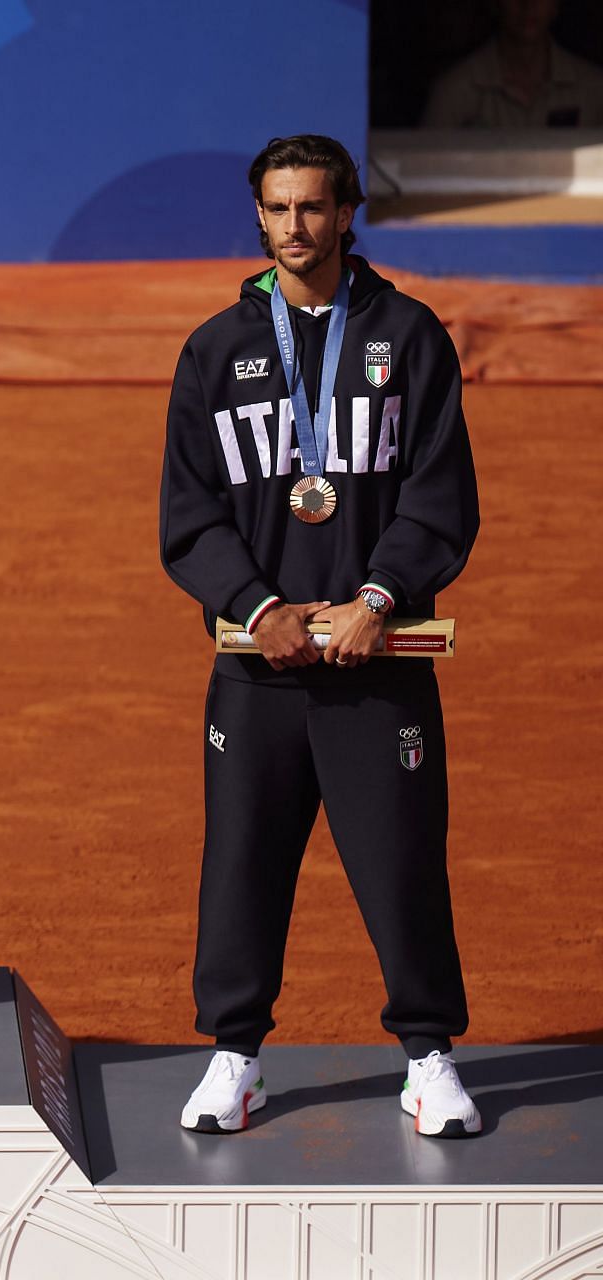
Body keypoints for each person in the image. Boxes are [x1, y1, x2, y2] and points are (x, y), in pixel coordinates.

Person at [159, 135, 482, 1137]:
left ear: (348, 215)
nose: (295, 227)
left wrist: (380, 596)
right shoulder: (217, 350)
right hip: (259, 667)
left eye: (313, 208)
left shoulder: (409, 336)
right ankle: (235, 1055)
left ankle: (428, 1057)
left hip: (376, 665)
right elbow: (189, 511)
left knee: (400, 861)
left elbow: (440, 495)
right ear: (257, 216)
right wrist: (261, 608)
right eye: (277, 209)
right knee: (242, 862)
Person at [422, 0, 603, 129]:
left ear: (556, 5)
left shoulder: (594, 89)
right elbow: (424, 173)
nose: (528, 5)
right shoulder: (454, 91)